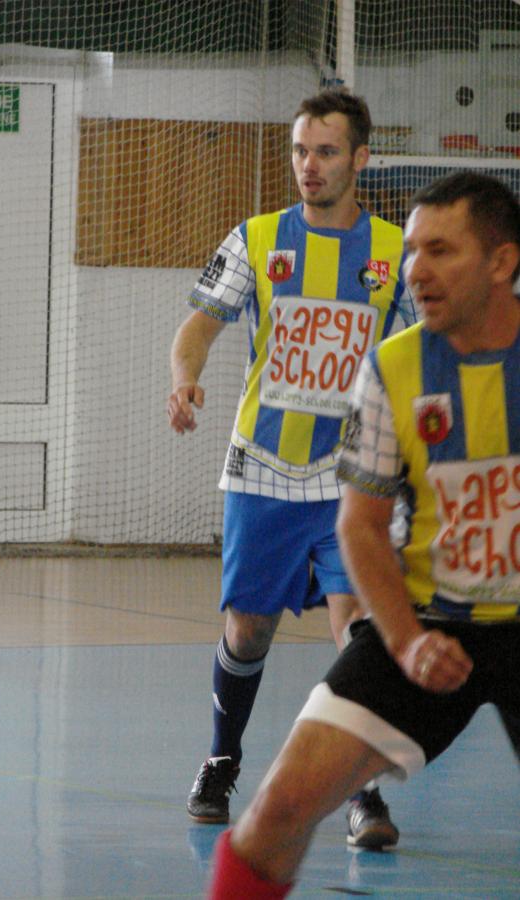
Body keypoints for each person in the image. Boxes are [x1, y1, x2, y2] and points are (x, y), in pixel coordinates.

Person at [206, 170, 520, 899]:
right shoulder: (390, 368)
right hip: (427, 623)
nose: (416, 271)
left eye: (441, 251)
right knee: (275, 813)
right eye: (411, 251)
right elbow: (361, 525)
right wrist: (407, 641)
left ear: (502, 262)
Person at [167, 88, 417, 848]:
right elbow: (198, 328)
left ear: (360, 158)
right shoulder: (257, 239)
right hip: (263, 467)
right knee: (248, 631)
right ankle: (221, 760)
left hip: (355, 475)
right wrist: (184, 377)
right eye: (301, 150)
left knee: (358, 631)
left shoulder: (394, 254)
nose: (309, 165)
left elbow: (422, 353)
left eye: (327, 151)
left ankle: (362, 791)